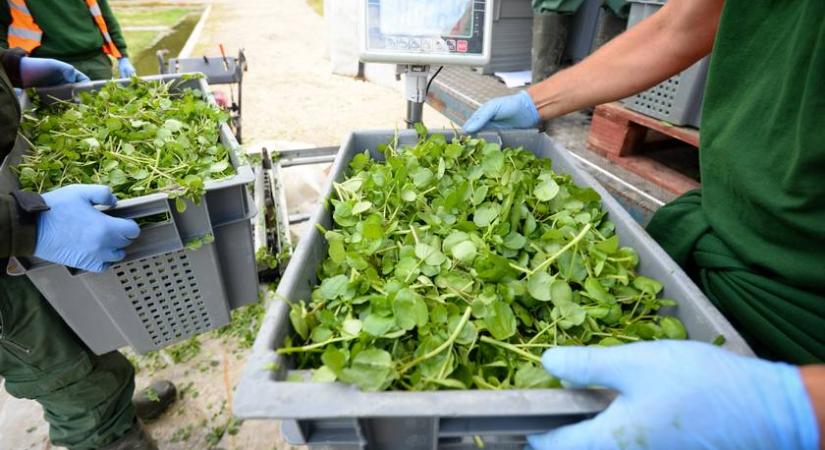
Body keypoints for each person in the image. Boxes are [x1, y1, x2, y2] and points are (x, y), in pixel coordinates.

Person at [463, 0, 824, 449]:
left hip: (804, 319)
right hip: (715, 245)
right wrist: (536, 101)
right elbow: (679, 25)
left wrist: (793, 409)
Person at [0, 49, 174, 449]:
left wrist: (11, 66)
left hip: (14, 204)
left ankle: (113, 407)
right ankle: (105, 433)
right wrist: (18, 224)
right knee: (66, 376)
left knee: (85, 330)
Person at [0, 0, 135, 81]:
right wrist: (8, 71)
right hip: (49, 67)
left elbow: (105, 16)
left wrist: (123, 56)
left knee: (106, 112)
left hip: (96, 62)